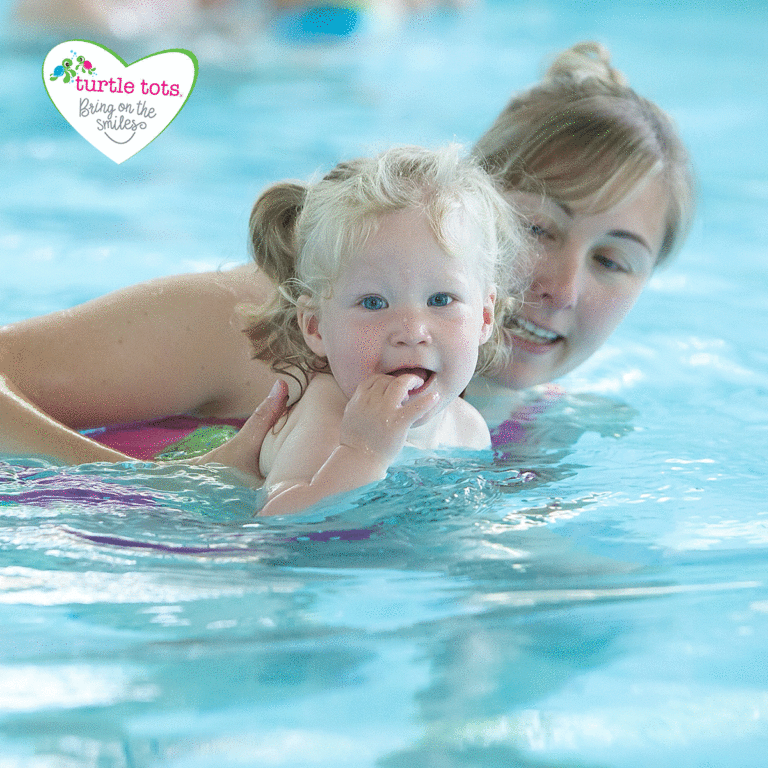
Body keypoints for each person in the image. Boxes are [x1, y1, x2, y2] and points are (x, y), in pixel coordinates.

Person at [0, 41, 695, 474]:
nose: (562, 288)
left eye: (613, 261)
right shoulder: (253, 324)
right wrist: (153, 490)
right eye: (541, 231)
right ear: (473, 214)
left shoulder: (530, 425)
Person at [241, 144, 524, 514]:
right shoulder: (328, 421)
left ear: (485, 317)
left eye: (441, 300)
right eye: (373, 303)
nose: (412, 331)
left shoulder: (468, 430)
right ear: (316, 327)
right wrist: (363, 453)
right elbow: (275, 523)